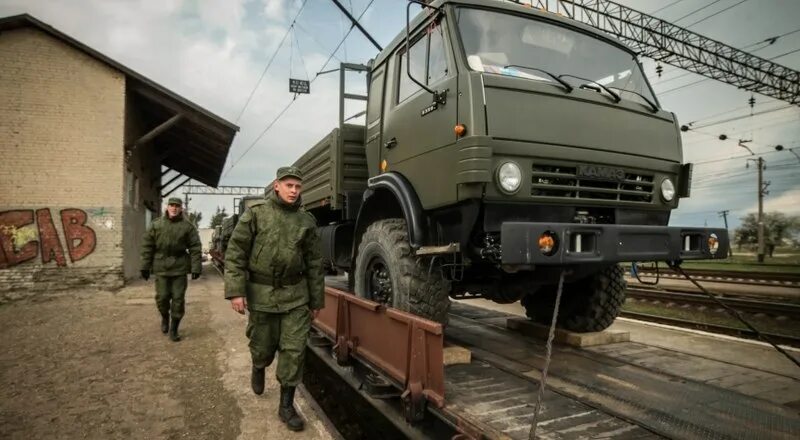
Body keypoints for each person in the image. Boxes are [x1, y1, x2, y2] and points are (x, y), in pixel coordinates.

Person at [224, 166, 324, 432]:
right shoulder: (256, 215)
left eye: (297, 187)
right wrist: (236, 291)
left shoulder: (306, 221)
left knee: (294, 351)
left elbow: (315, 263)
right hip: (262, 295)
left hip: (295, 296)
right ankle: (258, 365)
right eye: (289, 185)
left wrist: (316, 301)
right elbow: (235, 252)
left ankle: (286, 406)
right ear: (276, 185)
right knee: (262, 346)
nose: (293, 191)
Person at [140, 197, 202, 342]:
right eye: (171, 205)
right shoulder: (156, 225)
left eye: (177, 206)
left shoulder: (187, 227)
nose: (174, 208)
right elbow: (147, 246)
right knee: (162, 298)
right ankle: (164, 317)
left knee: (178, 299)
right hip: (161, 266)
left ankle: (174, 328)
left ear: (181, 209)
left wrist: (196, 267)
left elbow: (195, 247)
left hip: (179, 266)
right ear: (167, 207)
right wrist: (145, 266)